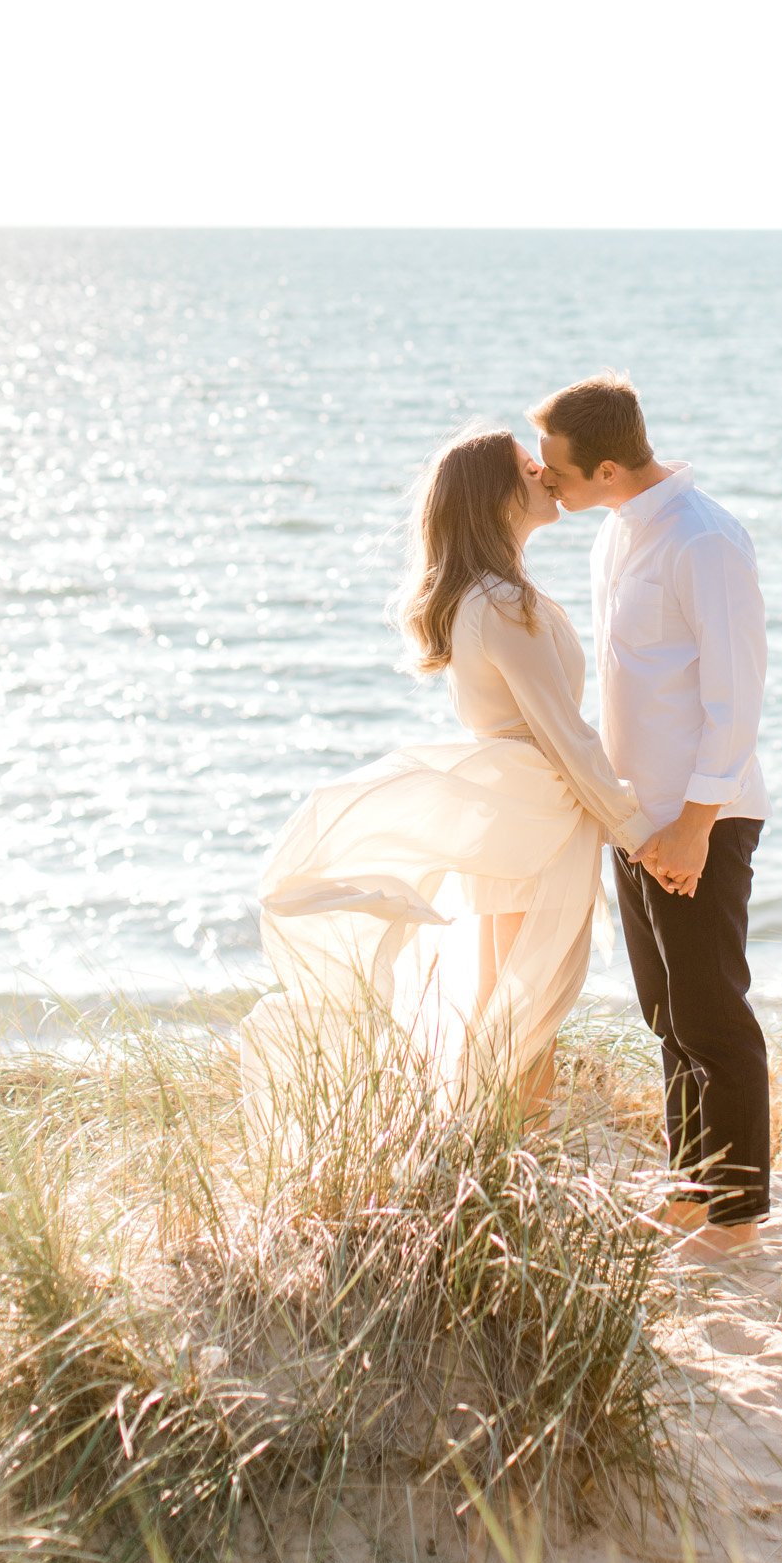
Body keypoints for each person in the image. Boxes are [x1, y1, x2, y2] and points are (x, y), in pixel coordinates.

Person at [239, 425, 654, 1122]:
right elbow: (562, 734)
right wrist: (636, 831)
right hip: (531, 817)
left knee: (511, 1008)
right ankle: (516, 1163)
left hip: (515, 814)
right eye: (530, 469)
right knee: (526, 1013)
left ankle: (500, 1158)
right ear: (497, 496)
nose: (548, 476)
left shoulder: (486, 595)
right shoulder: (499, 604)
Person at [531, 372, 771, 1264]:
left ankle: (738, 1215)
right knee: (666, 1013)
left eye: (555, 467)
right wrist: (629, 820)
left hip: (700, 818)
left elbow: (734, 703)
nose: (544, 479)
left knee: (713, 1014)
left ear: (601, 467)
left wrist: (694, 825)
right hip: (639, 819)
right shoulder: (614, 534)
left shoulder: (704, 541)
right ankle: (693, 1186)